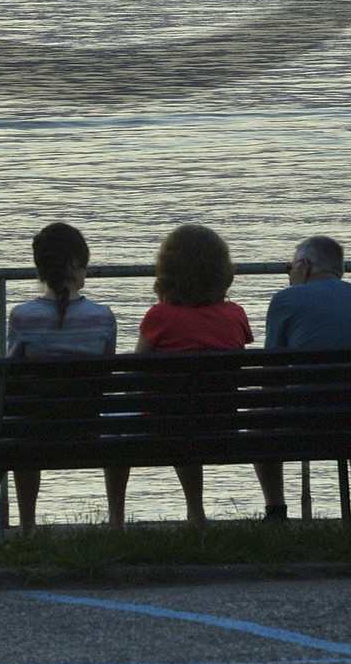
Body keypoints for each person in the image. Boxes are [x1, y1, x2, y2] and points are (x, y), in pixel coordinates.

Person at [0, 221, 117, 536]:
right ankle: (117, 524)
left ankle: (25, 525)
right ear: (75, 264)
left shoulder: (23, 317)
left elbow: (11, 379)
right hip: (88, 430)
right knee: (26, 414)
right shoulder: (103, 317)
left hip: (33, 432)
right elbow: (107, 376)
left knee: (20, 414)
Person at [107, 222, 252, 528]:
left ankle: (117, 520)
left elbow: (137, 369)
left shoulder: (159, 317)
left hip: (165, 427)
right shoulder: (235, 315)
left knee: (121, 421)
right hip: (221, 425)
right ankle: (195, 513)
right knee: (190, 404)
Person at [254, 234, 351, 521]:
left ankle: (276, 511)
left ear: (303, 265)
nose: (289, 274)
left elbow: (271, 375)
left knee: (261, 414)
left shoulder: (285, 300)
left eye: (288, 267)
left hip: (310, 424)